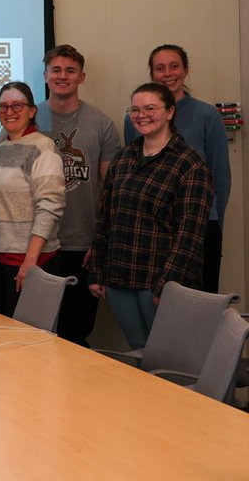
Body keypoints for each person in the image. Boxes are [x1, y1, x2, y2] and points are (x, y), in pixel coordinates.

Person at [90, 83, 213, 350]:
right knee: (137, 351)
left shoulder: (189, 164)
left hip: (159, 282)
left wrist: (167, 284)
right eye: (135, 109)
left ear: (170, 112)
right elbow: (105, 220)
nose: (141, 115)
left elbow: (190, 235)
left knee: (168, 359)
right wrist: (98, 271)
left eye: (150, 108)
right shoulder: (123, 159)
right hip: (120, 278)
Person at [122, 45, 230, 293]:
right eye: (160, 68)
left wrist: (214, 224)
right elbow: (133, 172)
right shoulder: (135, 118)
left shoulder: (207, 115)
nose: (168, 73)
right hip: (152, 229)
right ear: (152, 74)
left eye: (174, 66)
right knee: (158, 306)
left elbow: (221, 178)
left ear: (186, 70)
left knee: (198, 305)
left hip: (200, 225)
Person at [34, 45, 120, 345]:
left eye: (70, 70)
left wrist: (100, 243)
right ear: (45, 75)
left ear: (81, 77)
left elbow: (110, 191)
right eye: (56, 70)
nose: (62, 76)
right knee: (36, 333)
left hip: (82, 246)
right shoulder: (24, 119)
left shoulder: (102, 124)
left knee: (75, 334)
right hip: (36, 245)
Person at [0, 81, 65, 317]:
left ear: (32, 111)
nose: (10, 112)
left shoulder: (43, 148)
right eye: (3, 106)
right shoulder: (1, 148)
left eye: (17, 105)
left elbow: (50, 207)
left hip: (30, 262)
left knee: (27, 343)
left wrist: (31, 260)